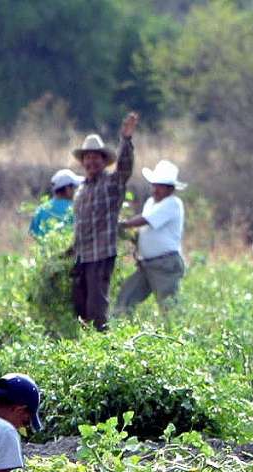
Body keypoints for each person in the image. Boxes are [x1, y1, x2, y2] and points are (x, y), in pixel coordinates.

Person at [71, 112, 139, 330]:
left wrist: (126, 140)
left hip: (101, 255)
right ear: (83, 162)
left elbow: (125, 169)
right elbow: (80, 227)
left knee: (96, 309)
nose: (91, 161)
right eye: (87, 157)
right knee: (79, 308)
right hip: (82, 256)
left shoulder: (111, 184)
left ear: (103, 161)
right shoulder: (81, 190)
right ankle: (84, 350)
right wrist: (70, 252)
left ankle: (104, 349)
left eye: (95, 157)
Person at [115, 159, 187, 316]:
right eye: (154, 185)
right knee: (125, 299)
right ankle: (118, 332)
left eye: (160, 186)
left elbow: (145, 220)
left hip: (164, 264)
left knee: (169, 309)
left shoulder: (173, 203)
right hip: (147, 264)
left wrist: (122, 224)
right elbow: (144, 229)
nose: (155, 189)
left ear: (170, 189)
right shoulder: (150, 203)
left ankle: (175, 338)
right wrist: (129, 235)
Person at [28, 169, 82, 242]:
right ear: (67, 188)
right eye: (74, 187)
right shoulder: (76, 209)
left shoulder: (41, 209)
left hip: (45, 253)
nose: (75, 191)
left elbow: (33, 236)